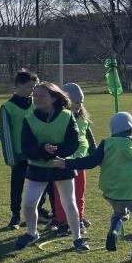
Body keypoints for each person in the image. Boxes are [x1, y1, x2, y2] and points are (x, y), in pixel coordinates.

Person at [54, 112, 132, 262]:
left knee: (119, 213)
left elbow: (90, 162)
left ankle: (114, 231)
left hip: (111, 193)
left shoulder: (106, 144)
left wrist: (67, 163)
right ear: (131, 129)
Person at [15, 82, 89, 252]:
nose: (37, 99)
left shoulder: (66, 116)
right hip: (38, 167)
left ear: (54, 98)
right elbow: (26, 147)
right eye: (35, 96)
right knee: (28, 203)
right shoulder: (29, 119)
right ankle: (32, 233)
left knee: (69, 203)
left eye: (42, 96)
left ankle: (77, 238)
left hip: (62, 165)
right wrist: (42, 151)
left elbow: (73, 143)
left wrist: (58, 153)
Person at [52, 83, 96, 237]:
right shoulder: (60, 118)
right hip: (64, 163)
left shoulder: (82, 118)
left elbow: (88, 138)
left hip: (80, 162)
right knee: (62, 195)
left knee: (79, 192)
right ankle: (63, 221)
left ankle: (79, 218)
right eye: (76, 102)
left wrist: (95, 154)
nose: (79, 105)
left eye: (81, 102)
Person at [0, 69, 40, 229]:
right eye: (30, 86)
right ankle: (15, 214)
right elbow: (6, 134)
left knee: (38, 183)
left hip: (36, 153)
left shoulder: (37, 104)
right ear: (18, 85)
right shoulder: (7, 107)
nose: (33, 90)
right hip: (19, 154)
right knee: (17, 185)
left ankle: (38, 211)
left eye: (35, 87)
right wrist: (11, 157)